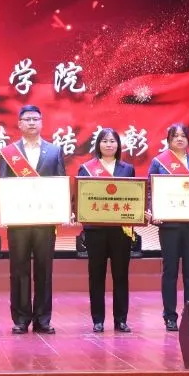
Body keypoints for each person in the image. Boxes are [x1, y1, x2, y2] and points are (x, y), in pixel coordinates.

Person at [0, 105, 67, 334]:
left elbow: (60, 182)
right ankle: (21, 319)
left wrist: (63, 210)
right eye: (27, 119)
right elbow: (3, 183)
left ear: (42, 122)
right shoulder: (9, 152)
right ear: (19, 123)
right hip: (19, 221)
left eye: (35, 119)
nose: (31, 123)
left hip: (45, 221)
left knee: (44, 270)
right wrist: (1, 210)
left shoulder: (54, 151)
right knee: (19, 270)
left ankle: (43, 320)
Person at [148, 123, 189, 331]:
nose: (179, 139)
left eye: (183, 136)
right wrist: (153, 211)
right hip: (169, 225)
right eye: (175, 136)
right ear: (169, 140)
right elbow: (150, 190)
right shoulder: (159, 162)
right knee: (170, 271)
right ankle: (170, 316)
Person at [77, 128, 135, 333]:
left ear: (118, 145)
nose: (109, 144)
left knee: (121, 275)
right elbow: (81, 198)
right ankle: (98, 319)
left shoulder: (127, 169)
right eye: (105, 141)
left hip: (121, 230)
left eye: (112, 141)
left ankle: (121, 320)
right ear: (98, 144)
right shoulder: (86, 168)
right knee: (96, 275)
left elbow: (134, 196)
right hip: (95, 230)